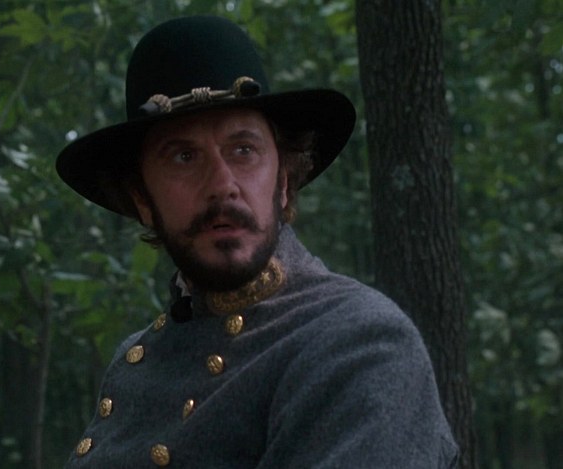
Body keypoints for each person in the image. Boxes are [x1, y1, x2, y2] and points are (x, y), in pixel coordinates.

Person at [56, 15, 458, 468]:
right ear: (143, 200)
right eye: (184, 156)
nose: (222, 185)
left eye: (243, 150)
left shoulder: (359, 342)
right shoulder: (138, 358)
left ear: (283, 181)